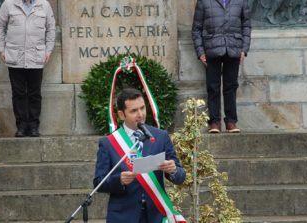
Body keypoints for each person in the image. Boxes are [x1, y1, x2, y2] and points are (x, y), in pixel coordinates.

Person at [93, 88, 186, 223]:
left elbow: (180, 177)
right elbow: (98, 183)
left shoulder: (161, 136)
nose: (140, 114)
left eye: (142, 108)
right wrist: (119, 180)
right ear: (121, 115)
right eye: (134, 111)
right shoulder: (108, 143)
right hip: (123, 215)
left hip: (156, 214)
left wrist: (173, 170)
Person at [0, 0, 55, 137]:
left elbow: (51, 28)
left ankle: (34, 126)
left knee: (35, 93)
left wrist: (48, 50)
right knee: (18, 93)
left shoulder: (44, 5)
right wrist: (1, 49)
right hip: (15, 56)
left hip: (36, 56)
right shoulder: (9, 4)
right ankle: (21, 126)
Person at [192, 0, 251, 133]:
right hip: (212, 49)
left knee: (231, 86)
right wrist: (200, 52)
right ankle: (214, 122)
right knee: (213, 87)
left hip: (233, 48)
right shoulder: (204, 2)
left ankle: (231, 121)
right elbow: (196, 29)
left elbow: (246, 26)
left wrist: (244, 49)